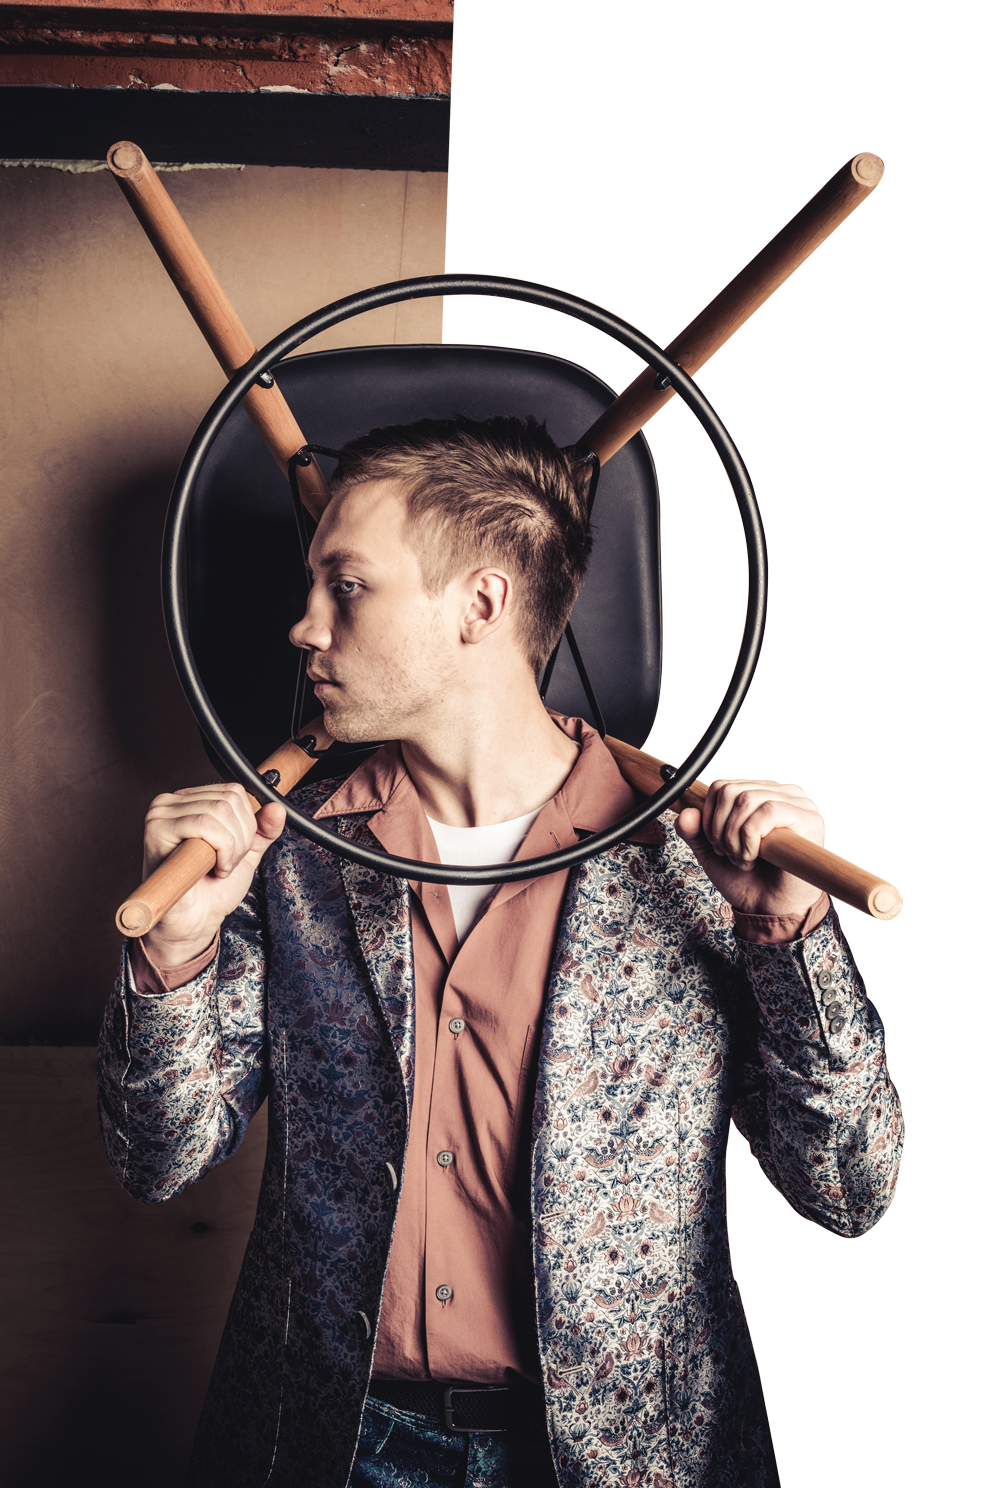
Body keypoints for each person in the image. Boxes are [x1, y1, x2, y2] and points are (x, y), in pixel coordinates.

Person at [98, 416, 902, 1488]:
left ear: (481, 603)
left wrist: (786, 935)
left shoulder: (696, 856)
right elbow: (157, 1161)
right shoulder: (288, 851)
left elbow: (849, 1186)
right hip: (332, 1442)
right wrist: (177, 952)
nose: (303, 626)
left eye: (346, 587)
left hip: (628, 1453)